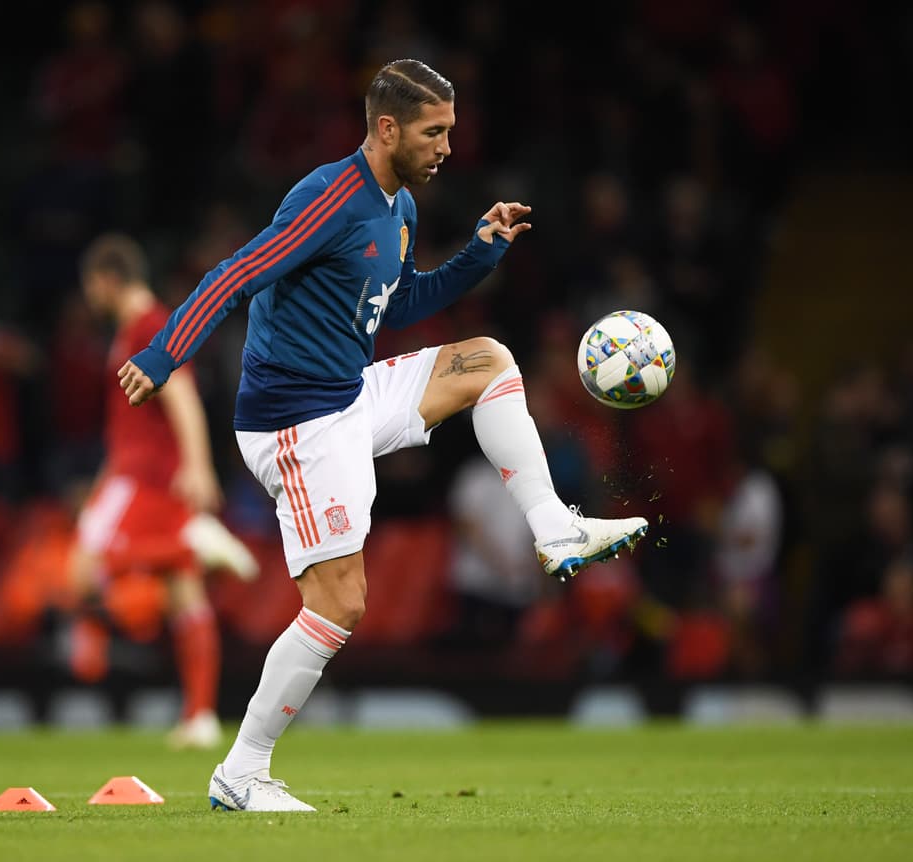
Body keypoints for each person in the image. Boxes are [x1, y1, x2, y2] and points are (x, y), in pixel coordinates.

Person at [116, 59, 649, 811]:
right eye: (434, 132)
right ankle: (241, 773)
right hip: (293, 423)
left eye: (452, 132)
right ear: (388, 128)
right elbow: (238, 272)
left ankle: (553, 525)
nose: (447, 148)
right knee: (341, 603)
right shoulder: (330, 196)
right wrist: (164, 351)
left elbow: (394, 310)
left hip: (349, 397)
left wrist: (481, 253)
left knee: (486, 361)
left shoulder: (399, 210)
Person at [70, 232, 259, 750]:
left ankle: (190, 541)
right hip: (133, 471)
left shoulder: (149, 324)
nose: (89, 296)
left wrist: (198, 464)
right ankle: (200, 716)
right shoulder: (133, 326)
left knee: (83, 569)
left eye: (91, 285)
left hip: (148, 476)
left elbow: (180, 393)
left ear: (107, 280)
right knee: (183, 594)